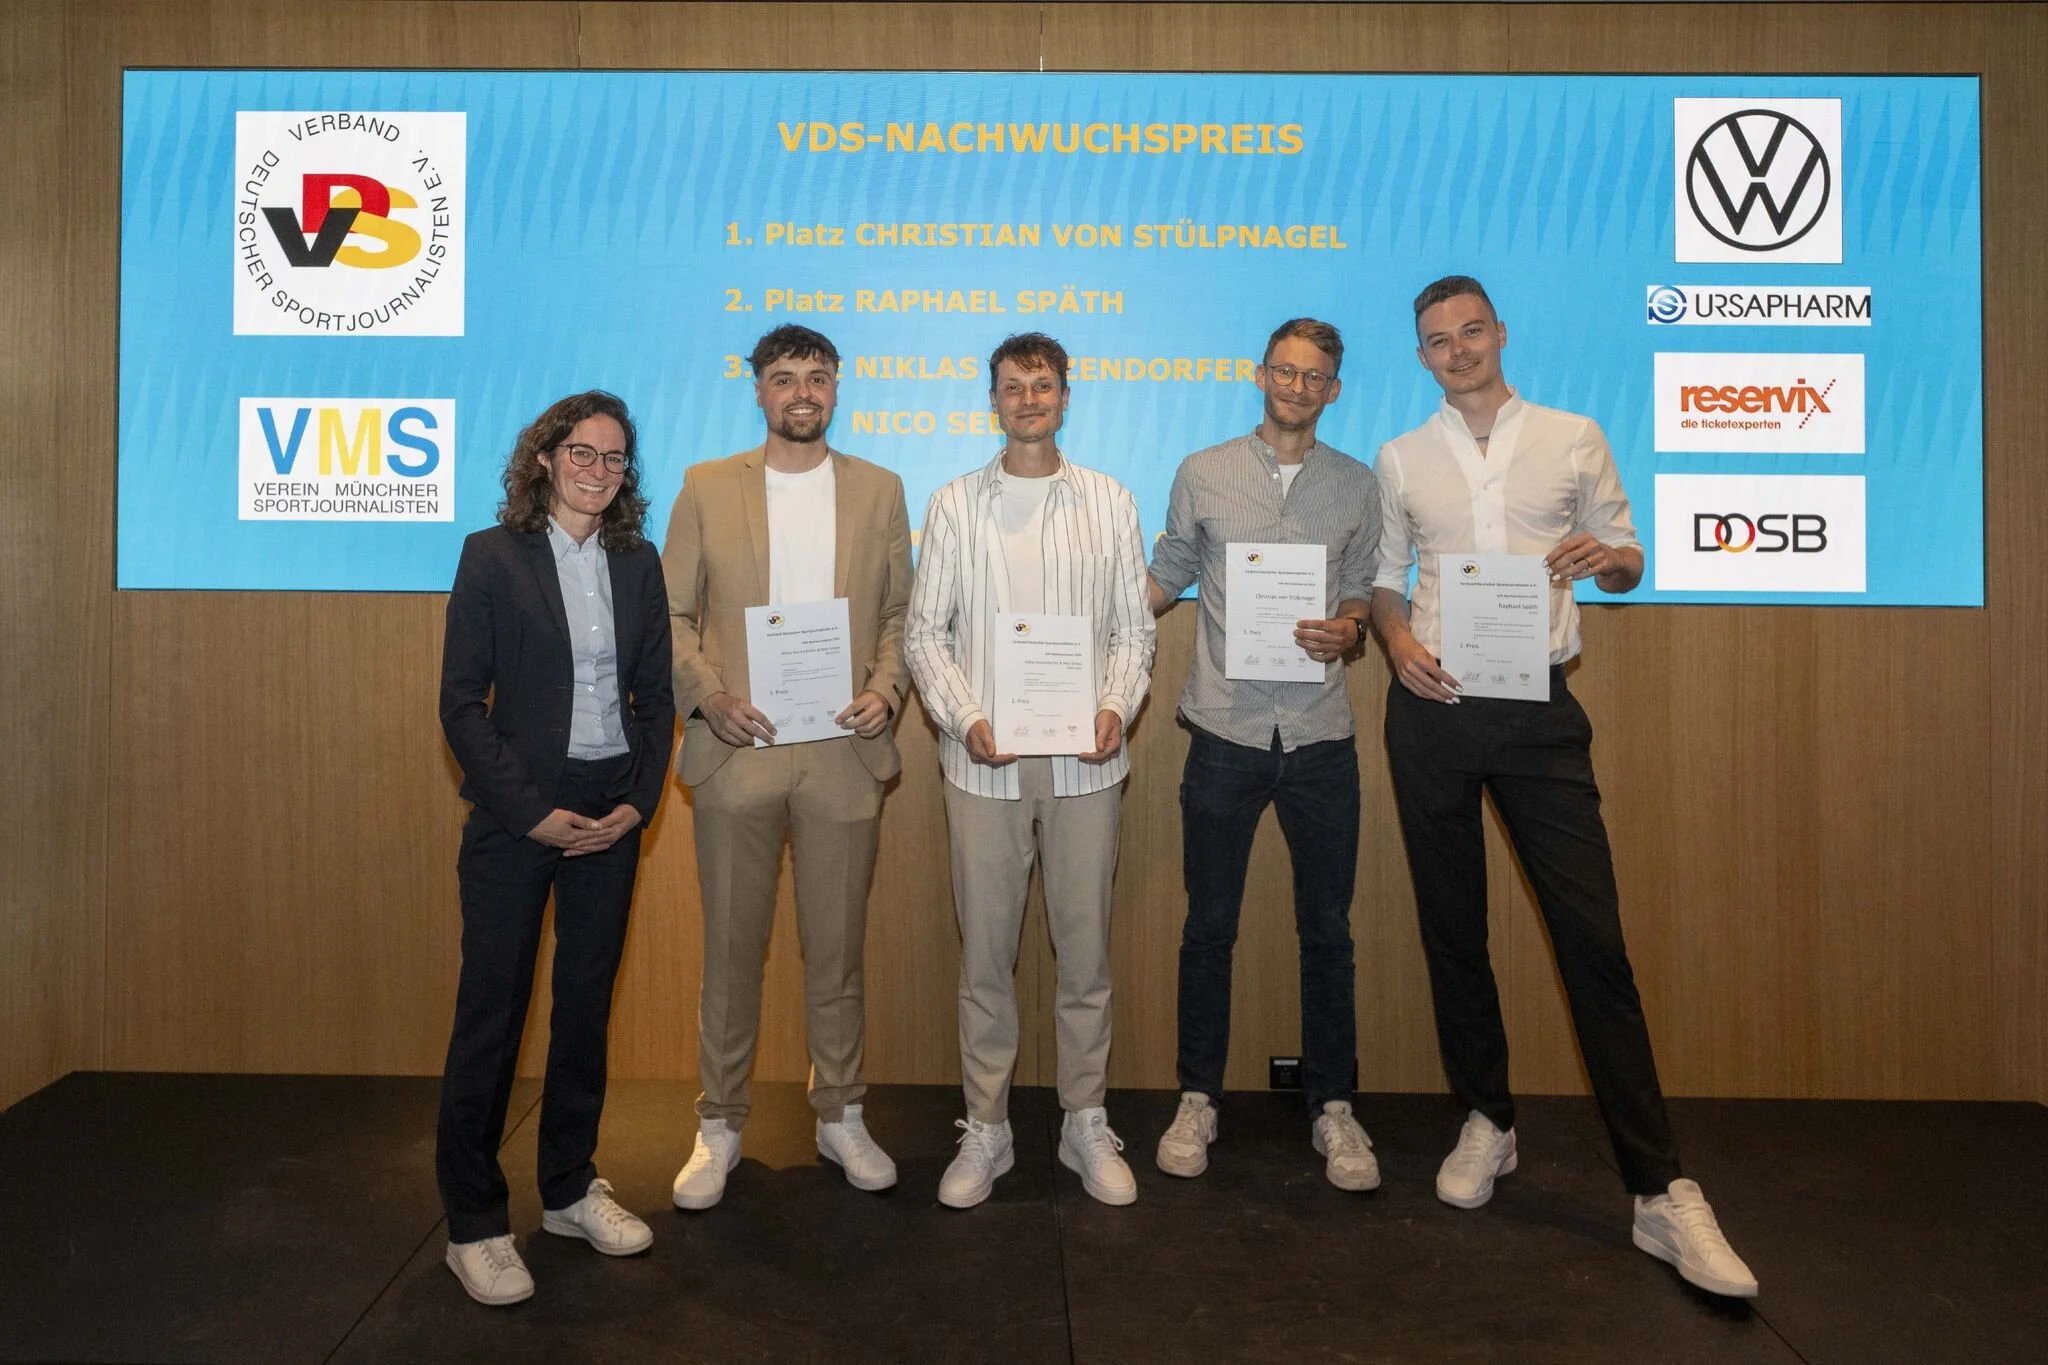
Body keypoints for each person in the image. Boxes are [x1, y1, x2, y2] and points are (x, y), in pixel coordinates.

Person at [1370, 275, 1758, 1298]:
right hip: (1431, 709)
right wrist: (1396, 636)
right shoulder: (1400, 456)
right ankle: (1486, 1121)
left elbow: (1626, 558)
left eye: (1468, 332)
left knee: (1591, 941)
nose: (1455, 350)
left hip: (1538, 711)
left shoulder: (1574, 434)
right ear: (1419, 356)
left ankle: (1657, 1190)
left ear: (1500, 333)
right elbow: (1382, 574)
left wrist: (1610, 558)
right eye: (1434, 340)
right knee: (1453, 930)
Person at [663, 325, 913, 1209]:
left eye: (815, 377)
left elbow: (899, 617)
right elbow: (672, 616)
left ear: (837, 387)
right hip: (740, 750)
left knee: (836, 951)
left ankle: (839, 1110)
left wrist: (887, 688)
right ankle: (719, 1121)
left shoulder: (881, 490)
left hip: (844, 751)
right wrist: (709, 695)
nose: (800, 391)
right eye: (782, 378)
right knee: (731, 948)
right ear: (758, 391)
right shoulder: (703, 487)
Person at [905, 332, 1157, 1209]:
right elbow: (922, 633)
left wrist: (1116, 707)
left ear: (1064, 393)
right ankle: (990, 1127)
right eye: (1012, 387)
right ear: (994, 398)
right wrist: (966, 717)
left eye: (1042, 385)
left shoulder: (1110, 502)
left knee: (1084, 956)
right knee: (986, 959)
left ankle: (1084, 1118)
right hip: (984, 770)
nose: (1028, 399)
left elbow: (1136, 629)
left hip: (1088, 767)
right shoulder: (952, 505)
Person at [435, 390, 675, 1305]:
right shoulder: (491, 557)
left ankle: (570, 1187)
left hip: (608, 813)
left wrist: (638, 804)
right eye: (582, 452)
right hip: (516, 817)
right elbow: (462, 705)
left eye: (614, 459)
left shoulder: (637, 562)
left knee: (583, 1009)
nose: (597, 470)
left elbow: (654, 700)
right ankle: (475, 1222)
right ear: (545, 458)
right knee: (491, 1016)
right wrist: (531, 812)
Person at [1145, 318, 1383, 1191]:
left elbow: (1359, 582)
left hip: (1321, 736)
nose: (1296, 386)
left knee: (1328, 931)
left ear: (1333, 390)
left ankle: (1334, 1107)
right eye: (1284, 370)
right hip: (1223, 731)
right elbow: (1166, 573)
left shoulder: (1358, 485)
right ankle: (1197, 1096)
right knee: (1208, 926)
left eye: (1313, 376)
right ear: (1259, 376)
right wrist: (1069, 621)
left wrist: (1352, 625)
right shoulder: (1201, 472)